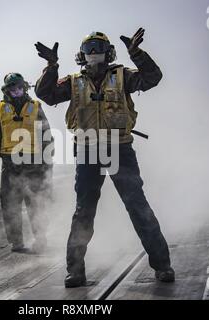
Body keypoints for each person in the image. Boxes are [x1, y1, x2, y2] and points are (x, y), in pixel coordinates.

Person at [34, 29, 174, 287]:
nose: (94, 52)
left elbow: (153, 77)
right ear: (81, 55)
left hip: (119, 148)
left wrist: (137, 53)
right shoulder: (73, 82)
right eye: (89, 48)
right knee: (83, 212)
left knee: (137, 206)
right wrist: (51, 66)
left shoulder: (123, 76)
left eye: (99, 47)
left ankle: (162, 265)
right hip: (88, 152)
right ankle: (75, 271)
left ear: (109, 52)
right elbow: (46, 94)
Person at [0, 73, 54, 254]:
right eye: (12, 88)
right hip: (10, 164)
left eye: (18, 87)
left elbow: (47, 135)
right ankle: (16, 242)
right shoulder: (1, 111)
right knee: (10, 204)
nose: (16, 91)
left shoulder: (35, 108)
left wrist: (48, 162)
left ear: (24, 87)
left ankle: (41, 238)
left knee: (36, 202)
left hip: (33, 162)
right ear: (7, 90)